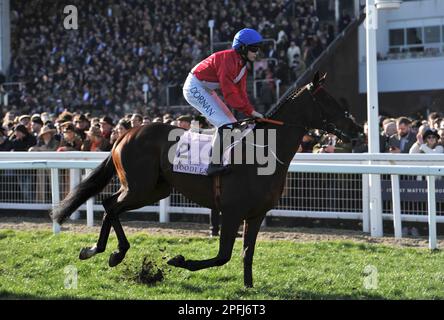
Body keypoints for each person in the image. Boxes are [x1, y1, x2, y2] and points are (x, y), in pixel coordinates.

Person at [183, 28, 265, 175]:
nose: (257, 52)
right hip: (194, 87)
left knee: (232, 124)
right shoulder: (228, 61)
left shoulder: (242, 66)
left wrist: (251, 111)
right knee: (226, 124)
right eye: (254, 48)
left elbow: (241, 93)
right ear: (242, 48)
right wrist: (251, 112)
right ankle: (213, 165)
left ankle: (223, 157)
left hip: (205, 88)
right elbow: (230, 94)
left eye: (258, 48)